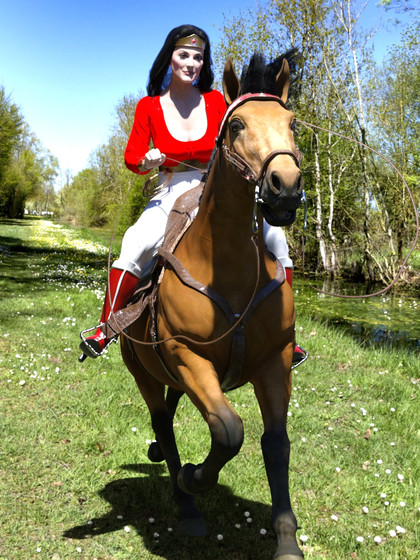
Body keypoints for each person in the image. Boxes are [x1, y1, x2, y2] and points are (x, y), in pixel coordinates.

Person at [79, 24, 307, 367]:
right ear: (169, 59)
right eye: (183, 55)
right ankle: (106, 327)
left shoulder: (216, 101)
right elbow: (131, 156)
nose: (191, 63)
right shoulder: (149, 106)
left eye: (198, 57)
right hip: (171, 188)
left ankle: (286, 335)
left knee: (276, 241)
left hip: (217, 187)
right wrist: (146, 159)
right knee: (137, 241)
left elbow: (248, 130)